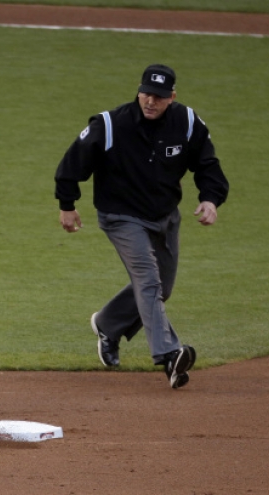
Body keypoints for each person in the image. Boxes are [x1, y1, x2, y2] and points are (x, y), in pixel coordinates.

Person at [54, 64, 229, 389]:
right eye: (147, 93)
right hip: (120, 216)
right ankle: (169, 355)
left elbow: (207, 164)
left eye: (160, 97)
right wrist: (67, 204)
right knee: (148, 280)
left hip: (164, 216)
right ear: (139, 91)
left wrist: (210, 199)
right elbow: (72, 162)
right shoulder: (110, 124)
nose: (151, 101)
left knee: (162, 287)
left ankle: (108, 324)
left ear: (172, 97)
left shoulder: (187, 123)